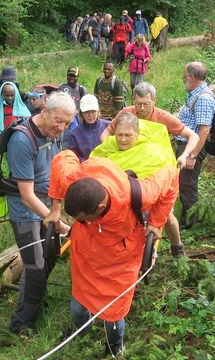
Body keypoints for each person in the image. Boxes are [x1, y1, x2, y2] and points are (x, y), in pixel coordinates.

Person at [45, 150, 178, 356]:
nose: (82, 222)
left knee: (113, 311)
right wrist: (55, 206)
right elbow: (62, 158)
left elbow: (171, 176)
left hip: (121, 257)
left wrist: (155, 223)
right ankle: (82, 332)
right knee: (79, 303)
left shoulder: (139, 193)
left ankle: (115, 347)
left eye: (84, 218)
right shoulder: (73, 178)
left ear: (101, 207)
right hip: (86, 253)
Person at [102, 82, 200, 257]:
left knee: (165, 214)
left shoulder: (163, 117)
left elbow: (193, 135)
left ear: (154, 101)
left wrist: (185, 155)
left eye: (146, 104)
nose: (141, 108)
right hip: (130, 170)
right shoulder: (126, 114)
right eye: (138, 104)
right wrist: (109, 151)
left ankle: (177, 247)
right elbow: (107, 133)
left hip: (156, 171)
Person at [6, 92, 76, 334]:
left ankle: (34, 296)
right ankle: (21, 323)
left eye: (67, 123)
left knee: (51, 253)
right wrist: (59, 222)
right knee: (34, 265)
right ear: (44, 111)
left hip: (46, 203)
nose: (62, 127)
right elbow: (26, 195)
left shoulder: (53, 133)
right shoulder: (22, 140)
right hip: (25, 211)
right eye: (58, 121)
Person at [176, 61, 215, 229]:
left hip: (191, 149)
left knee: (187, 185)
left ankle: (190, 223)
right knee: (184, 183)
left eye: (184, 77)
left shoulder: (204, 98)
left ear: (191, 78)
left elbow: (204, 131)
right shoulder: (196, 94)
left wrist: (191, 155)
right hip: (187, 147)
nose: (183, 80)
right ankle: (187, 218)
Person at [0, 81, 31, 162]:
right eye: (7, 95)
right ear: (2, 95)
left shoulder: (23, 111)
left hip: (19, 149)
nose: (10, 98)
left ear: (16, 94)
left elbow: (29, 134)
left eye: (12, 95)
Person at [65, 94, 110, 162]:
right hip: (85, 169)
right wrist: (86, 163)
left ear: (98, 111)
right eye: (86, 112)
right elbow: (73, 155)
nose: (90, 115)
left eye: (93, 111)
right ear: (81, 113)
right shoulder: (74, 134)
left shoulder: (109, 127)